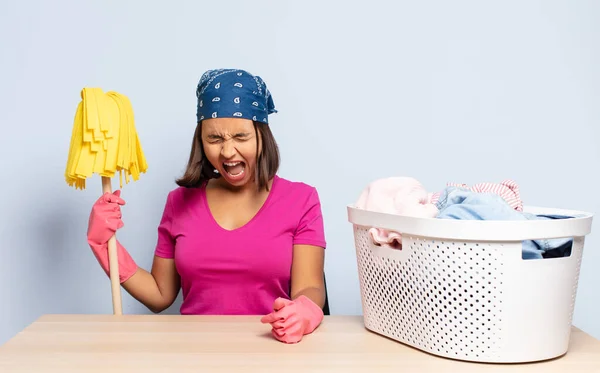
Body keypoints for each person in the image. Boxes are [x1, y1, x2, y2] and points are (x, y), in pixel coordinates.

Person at [85, 68, 328, 344]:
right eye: (214, 139)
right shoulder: (179, 202)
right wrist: (103, 246)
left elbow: (309, 286)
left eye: (241, 137)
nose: (226, 152)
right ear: (201, 141)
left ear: (262, 135)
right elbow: (159, 295)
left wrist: (306, 310)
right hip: (194, 354)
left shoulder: (301, 200)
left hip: (273, 351)